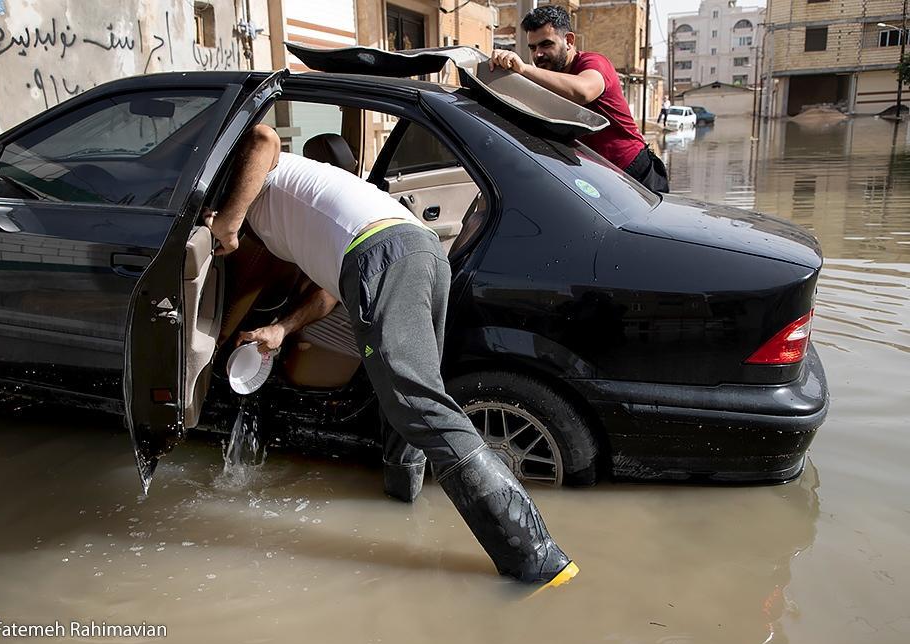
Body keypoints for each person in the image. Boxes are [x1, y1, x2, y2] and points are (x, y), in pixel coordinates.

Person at [205, 124, 578, 588]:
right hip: (416, 250)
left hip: (380, 255)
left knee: (417, 404)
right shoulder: (297, 205)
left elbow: (262, 137)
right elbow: (328, 291)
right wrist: (282, 328)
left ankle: (536, 556)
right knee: (410, 399)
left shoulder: (255, 169)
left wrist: (228, 220)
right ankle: (404, 499)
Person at [489, 5, 669, 193]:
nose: (538, 54)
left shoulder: (594, 63)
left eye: (546, 44)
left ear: (568, 41)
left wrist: (524, 69)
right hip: (598, 178)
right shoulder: (545, 78)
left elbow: (583, 91)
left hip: (635, 172)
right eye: (533, 48)